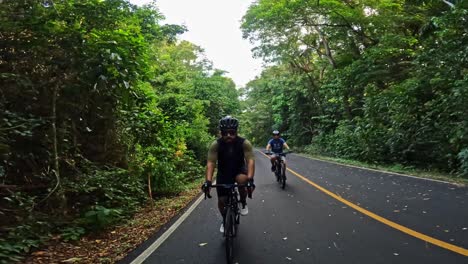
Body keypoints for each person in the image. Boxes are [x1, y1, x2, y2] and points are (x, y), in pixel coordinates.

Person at [202, 116, 255, 233]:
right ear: (221, 133)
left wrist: (250, 179)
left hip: (239, 170)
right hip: (224, 172)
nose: (229, 135)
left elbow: (250, 160)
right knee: (222, 200)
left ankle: (243, 201)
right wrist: (208, 181)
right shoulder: (216, 144)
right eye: (225, 133)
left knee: (242, 180)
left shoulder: (244, 143)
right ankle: (224, 219)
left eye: (232, 133)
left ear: (236, 132)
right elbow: (211, 163)